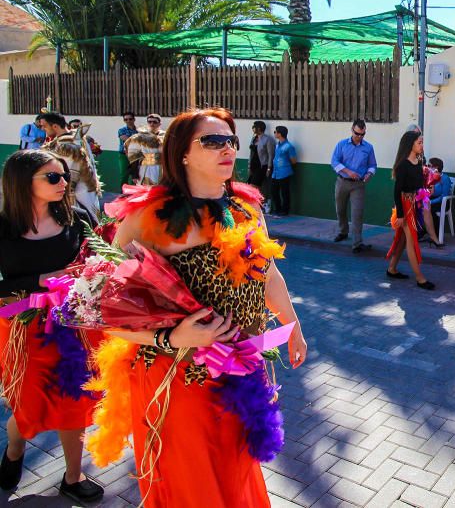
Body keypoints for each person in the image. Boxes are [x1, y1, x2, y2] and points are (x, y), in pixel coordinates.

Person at [101, 107, 307, 506]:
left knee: (233, 473)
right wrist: (170, 335)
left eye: (230, 140)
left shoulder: (248, 209)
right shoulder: (146, 217)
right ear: (182, 153)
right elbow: (99, 307)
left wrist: (293, 325)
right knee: (191, 481)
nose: (226, 148)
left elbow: (268, 276)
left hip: (243, 369)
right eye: (212, 141)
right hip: (176, 377)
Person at [0, 150, 104, 503]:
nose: (63, 183)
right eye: (53, 177)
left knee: (74, 402)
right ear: (21, 182)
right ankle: (14, 449)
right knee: (29, 404)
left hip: (75, 325)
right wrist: (40, 280)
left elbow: (98, 259)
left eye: (65, 177)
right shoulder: (2, 227)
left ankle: (73, 477)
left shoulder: (78, 218)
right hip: (22, 328)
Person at [385, 131, 435, 290]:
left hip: (414, 205)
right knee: (411, 241)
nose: (421, 145)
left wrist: (427, 191)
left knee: (403, 239)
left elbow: (419, 187)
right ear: (410, 144)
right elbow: (396, 190)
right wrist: (400, 214)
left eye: (421, 142)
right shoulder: (403, 165)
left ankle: (392, 268)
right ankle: (420, 278)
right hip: (405, 206)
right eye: (419, 142)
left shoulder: (419, 161)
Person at [39, 112, 103, 219]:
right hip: (86, 193)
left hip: (77, 196)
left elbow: (69, 177)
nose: (42, 129)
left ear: (55, 126)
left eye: (44, 126)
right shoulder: (76, 139)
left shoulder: (67, 146)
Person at [331, 119, 377, 253]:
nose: (360, 137)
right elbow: (334, 161)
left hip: (358, 185)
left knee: (357, 213)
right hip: (342, 181)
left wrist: (369, 174)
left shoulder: (368, 147)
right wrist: (348, 171)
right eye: (357, 134)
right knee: (340, 209)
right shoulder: (342, 144)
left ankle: (357, 243)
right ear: (352, 130)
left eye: (362, 134)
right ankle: (343, 231)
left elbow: (373, 165)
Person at [126, 114, 166, 187]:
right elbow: (134, 156)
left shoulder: (165, 136)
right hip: (146, 169)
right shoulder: (139, 137)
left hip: (162, 168)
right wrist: (134, 174)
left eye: (154, 122)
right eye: (149, 122)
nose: (152, 124)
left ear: (160, 124)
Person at [247, 121, 275, 209]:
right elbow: (251, 153)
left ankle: (261, 204)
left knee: (254, 186)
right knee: (250, 185)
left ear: (259, 128)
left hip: (262, 166)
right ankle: (258, 204)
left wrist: (269, 168)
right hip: (253, 166)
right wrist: (249, 165)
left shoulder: (268, 139)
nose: (253, 129)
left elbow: (271, 154)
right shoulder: (254, 138)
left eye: (254, 127)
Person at [270, 125, 297, 216]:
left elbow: (293, 160)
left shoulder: (289, 146)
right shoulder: (277, 145)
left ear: (280, 134)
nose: (274, 133)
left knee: (285, 192)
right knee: (274, 192)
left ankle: (285, 210)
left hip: (284, 172)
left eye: (275, 132)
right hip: (275, 173)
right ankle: (277, 209)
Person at [427, 157, 452, 238]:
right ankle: (422, 231)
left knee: (430, 209)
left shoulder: (445, 178)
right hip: (432, 199)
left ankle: (435, 234)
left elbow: (444, 196)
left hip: (442, 202)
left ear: (436, 167)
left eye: (430, 166)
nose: (428, 167)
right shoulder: (429, 177)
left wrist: (431, 202)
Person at [118, 111, 139, 186]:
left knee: (135, 175)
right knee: (124, 175)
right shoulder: (121, 130)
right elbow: (127, 140)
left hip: (137, 155)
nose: (128, 121)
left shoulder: (139, 130)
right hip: (124, 155)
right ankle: (123, 193)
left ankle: (133, 194)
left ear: (134, 119)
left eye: (130, 119)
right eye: (126, 119)